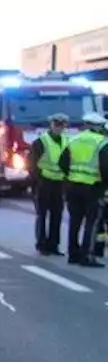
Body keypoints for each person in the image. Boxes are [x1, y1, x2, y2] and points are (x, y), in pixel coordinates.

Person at [59, 112, 108, 267]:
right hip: (93, 187)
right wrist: (104, 188)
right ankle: (87, 256)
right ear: (98, 127)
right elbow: (106, 167)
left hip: (73, 186)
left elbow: (62, 162)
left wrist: (72, 176)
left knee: (75, 221)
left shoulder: (73, 140)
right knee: (91, 223)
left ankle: (73, 254)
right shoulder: (102, 142)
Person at [29, 113, 70, 255]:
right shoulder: (41, 141)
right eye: (56, 124)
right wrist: (38, 181)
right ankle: (41, 244)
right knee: (42, 214)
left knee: (57, 215)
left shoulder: (66, 141)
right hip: (44, 182)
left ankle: (54, 245)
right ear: (51, 125)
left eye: (61, 125)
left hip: (59, 183)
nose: (58, 128)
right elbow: (33, 165)